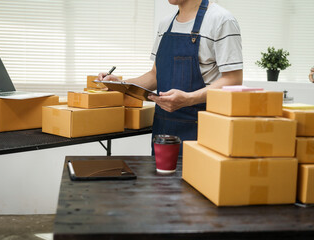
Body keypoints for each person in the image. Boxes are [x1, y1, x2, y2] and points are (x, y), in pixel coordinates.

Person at [98, 0, 243, 154]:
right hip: (163, 129)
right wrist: (121, 83)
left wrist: (189, 98)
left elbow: (233, 80)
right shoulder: (166, 24)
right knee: (161, 178)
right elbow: (155, 75)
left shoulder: (222, 20)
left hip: (201, 129)